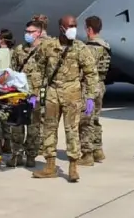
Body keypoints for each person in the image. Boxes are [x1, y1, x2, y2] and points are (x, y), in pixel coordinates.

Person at [32, 15, 98, 183]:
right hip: (53, 92)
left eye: (75, 26)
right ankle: (50, 166)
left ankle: (73, 167)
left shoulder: (80, 48)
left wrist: (90, 97)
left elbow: (91, 73)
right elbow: (37, 68)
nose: (73, 29)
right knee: (49, 129)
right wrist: (35, 92)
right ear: (61, 27)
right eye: (70, 26)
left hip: (72, 93)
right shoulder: (49, 47)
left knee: (72, 130)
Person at [7, 19, 46, 167]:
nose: (28, 34)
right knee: (16, 126)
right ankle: (16, 154)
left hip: (35, 95)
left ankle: (31, 156)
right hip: (20, 93)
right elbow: (13, 71)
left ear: (39, 33)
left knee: (34, 128)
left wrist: (39, 94)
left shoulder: (44, 50)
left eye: (31, 32)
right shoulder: (19, 50)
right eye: (26, 31)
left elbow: (48, 74)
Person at [78, 16, 112, 166]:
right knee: (95, 118)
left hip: (89, 88)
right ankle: (98, 150)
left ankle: (87, 154)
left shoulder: (90, 48)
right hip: (100, 86)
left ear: (89, 29)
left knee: (85, 120)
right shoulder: (105, 46)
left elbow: (85, 69)